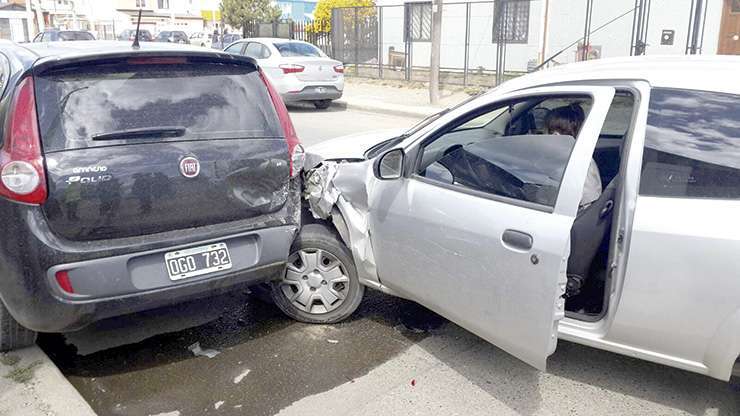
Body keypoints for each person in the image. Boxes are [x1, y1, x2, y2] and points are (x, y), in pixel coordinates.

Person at [545, 104, 602, 208]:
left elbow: (589, 204)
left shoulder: (581, 162)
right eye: (551, 131)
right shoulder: (559, 156)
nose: (554, 136)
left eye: (562, 131)